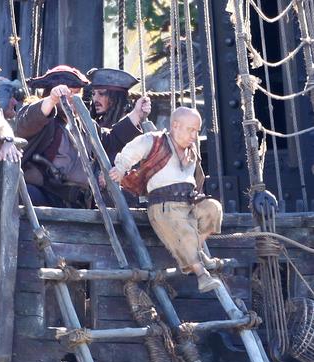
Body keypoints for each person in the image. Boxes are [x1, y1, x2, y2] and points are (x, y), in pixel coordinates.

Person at [109, 106, 222, 293]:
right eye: (190, 130)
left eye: (196, 130)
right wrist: (120, 168)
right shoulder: (154, 141)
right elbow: (131, 151)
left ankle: (196, 252)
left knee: (213, 208)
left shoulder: (191, 151)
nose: (194, 135)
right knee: (182, 230)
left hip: (187, 203)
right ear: (176, 126)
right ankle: (202, 275)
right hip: (164, 206)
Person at [15, 65, 150, 208]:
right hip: (47, 195)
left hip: (79, 201)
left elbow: (110, 140)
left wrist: (137, 114)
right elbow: (26, 123)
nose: (73, 99)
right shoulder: (43, 120)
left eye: (76, 93)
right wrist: (52, 99)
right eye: (69, 93)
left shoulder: (84, 124)